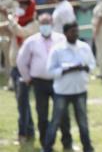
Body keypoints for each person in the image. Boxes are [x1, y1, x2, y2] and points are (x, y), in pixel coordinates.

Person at [16, 14, 72, 150]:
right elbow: (21, 61)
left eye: (47, 23)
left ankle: (67, 143)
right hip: (39, 82)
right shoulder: (31, 41)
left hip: (58, 81)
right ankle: (46, 144)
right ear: (39, 25)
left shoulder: (61, 39)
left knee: (63, 113)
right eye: (42, 23)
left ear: (52, 24)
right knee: (42, 115)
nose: (45, 26)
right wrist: (27, 77)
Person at [43, 21, 96, 152]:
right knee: (56, 121)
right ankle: (47, 147)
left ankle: (87, 147)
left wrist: (84, 67)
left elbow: (93, 65)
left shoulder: (84, 47)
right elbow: (50, 71)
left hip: (80, 90)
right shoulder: (57, 49)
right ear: (66, 33)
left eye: (77, 31)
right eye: (72, 31)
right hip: (62, 92)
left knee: (83, 122)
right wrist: (66, 70)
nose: (75, 34)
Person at [7, 0, 38, 143]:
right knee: (22, 102)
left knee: (23, 103)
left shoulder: (34, 24)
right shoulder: (18, 21)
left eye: (24, 6)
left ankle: (23, 134)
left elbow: (21, 32)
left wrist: (12, 21)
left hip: (24, 69)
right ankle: (30, 130)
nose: (22, 9)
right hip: (15, 67)